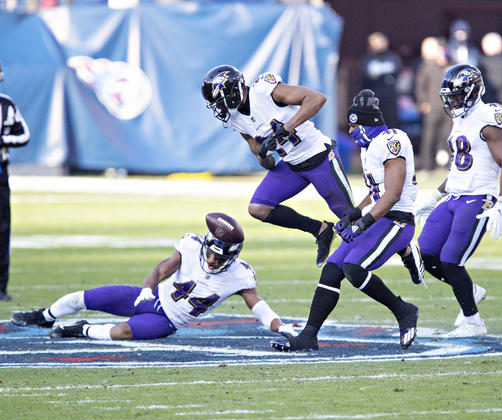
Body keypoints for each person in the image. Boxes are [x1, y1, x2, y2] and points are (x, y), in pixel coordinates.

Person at [271, 89, 420, 352]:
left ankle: (403, 310)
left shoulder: (390, 141)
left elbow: (393, 194)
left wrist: (362, 224)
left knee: (354, 267)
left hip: (397, 220)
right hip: (379, 216)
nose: (350, 131)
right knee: (332, 269)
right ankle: (308, 335)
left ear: (366, 123)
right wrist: (353, 215)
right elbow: (375, 193)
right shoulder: (369, 147)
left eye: (353, 125)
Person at [11, 212, 298, 341]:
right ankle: (44, 315)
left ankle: (81, 330)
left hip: (166, 320)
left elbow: (256, 304)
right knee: (83, 297)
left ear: (232, 257)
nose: (212, 261)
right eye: (210, 254)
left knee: (119, 333)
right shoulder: (191, 245)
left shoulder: (240, 275)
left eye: (220, 258)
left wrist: (278, 325)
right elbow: (162, 269)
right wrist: (148, 288)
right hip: (150, 298)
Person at [201, 65, 354, 268]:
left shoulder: (264, 91)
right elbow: (267, 161)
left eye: (220, 102)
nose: (219, 109)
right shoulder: (236, 120)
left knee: (352, 220)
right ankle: (321, 230)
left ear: (232, 91)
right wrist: (263, 154)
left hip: (319, 157)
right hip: (291, 165)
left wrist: (286, 129)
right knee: (258, 208)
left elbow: (317, 99)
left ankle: (404, 251)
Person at [414, 64, 502, 337]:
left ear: (472, 93)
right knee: (423, 254)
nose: (452, 102)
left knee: (451, 260)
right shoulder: (460, 119)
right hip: (454, 197)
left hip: (478, 198)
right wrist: (435, 195)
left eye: (457, 96)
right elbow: (460, 167)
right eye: (450, 96)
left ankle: (473, 322)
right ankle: (470, 290)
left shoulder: (488, 117)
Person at [0, 60, 30, 301]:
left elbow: (24, 135)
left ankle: (1, 287)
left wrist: (2, 140)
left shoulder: (6, 104)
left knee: (2, 229)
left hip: (0, 172)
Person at [414, 36, 451, 171]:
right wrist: (423, 103)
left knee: (448, 136)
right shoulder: (427, 67)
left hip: (448, 107)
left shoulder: (450, 65)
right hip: (432, 107)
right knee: (429, 138)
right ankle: (426, 166)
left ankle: (449, 165)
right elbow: (420, 86)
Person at [361, 32, 402, 129]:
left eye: (382, 41)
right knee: (375, 124)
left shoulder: (392, 56)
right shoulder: (367, 58)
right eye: (376, 42)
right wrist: (384, 73)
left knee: (391, 123)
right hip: (373, 97)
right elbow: (367, 74)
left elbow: (396, 70)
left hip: (390, 97)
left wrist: (379, 73)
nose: (380, 44)